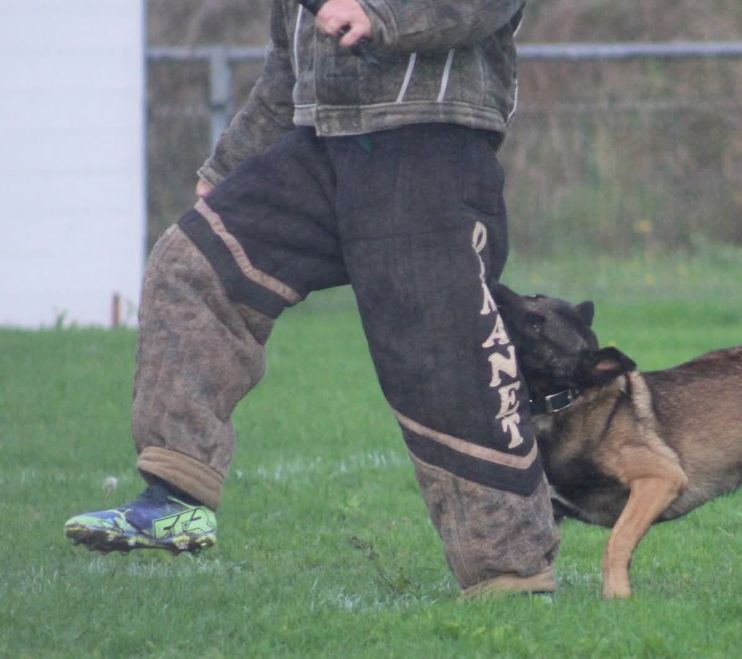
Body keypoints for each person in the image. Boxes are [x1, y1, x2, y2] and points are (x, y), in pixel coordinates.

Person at [64, 0, 559, 599]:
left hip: (430, 147)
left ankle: (512, 573)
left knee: (444, 367)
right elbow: (288, 60)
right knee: (194, 265)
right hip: (320, 146)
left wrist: (381, 14)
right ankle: (176, 497)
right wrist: (231, 163)